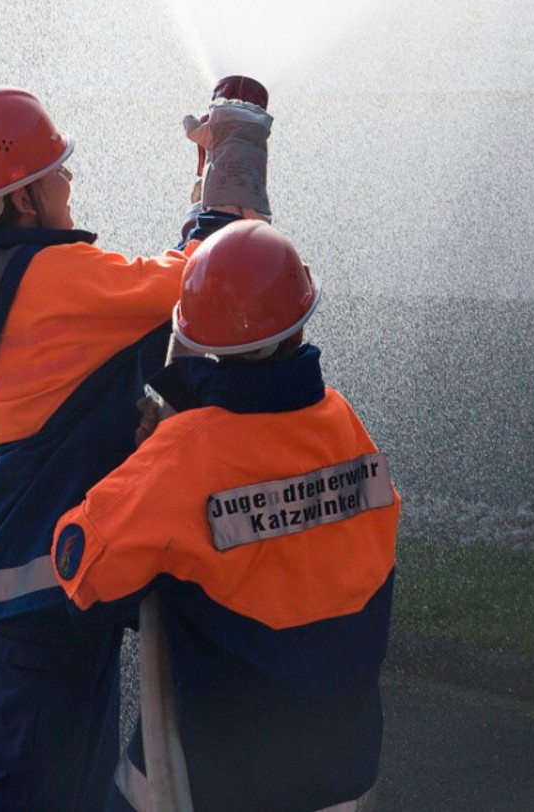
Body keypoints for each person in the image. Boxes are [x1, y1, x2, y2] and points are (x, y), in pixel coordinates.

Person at [0, 85, 273, 810]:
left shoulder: (1, 278)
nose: (69, 180)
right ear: (22, 200)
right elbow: (191, 282)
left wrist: (209, 183)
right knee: (23, 788)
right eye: (57, 172)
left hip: (40, 577)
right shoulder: (51, 278)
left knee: (63, 783)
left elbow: (151, 301)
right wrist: (236, 158)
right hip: (46, 579)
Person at [52, 220, 402, 811]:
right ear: (300, 323)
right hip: (346, 776)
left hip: (230, 782)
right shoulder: (343, 420)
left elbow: (81, 570)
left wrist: (143, 462)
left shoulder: (187, 453)